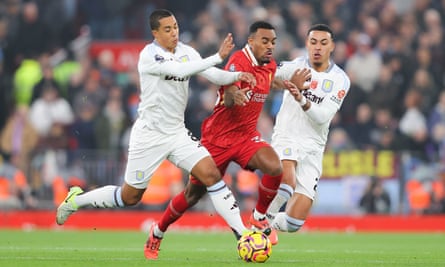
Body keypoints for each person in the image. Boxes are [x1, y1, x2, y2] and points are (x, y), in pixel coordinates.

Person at [56, 8, 256, 255]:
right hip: (149, 135)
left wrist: (236, 75)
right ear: (155, 33)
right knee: (130, 197)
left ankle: (242, 234)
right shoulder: (149, 56)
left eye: (176, 27)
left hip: (176, 133)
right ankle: (76, 200)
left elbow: (209, 73)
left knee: (211, 174)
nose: (174, 33)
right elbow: (181, 71)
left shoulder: (186, 51)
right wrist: (217, 55)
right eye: (168, 29)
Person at [144, 21, 285, 260]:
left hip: (245, 138)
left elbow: (270, 81)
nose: (270, 46)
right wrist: (233, 95)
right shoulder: (238, 62)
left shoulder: (270, 65)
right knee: (192, 195)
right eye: (265, 41)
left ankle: (259, 218)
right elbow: (228, 93)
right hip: (217, 140)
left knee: (275, 167)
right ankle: (158, 231)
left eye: (273, 42)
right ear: (251, 41)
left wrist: (290, 87)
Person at [266, 24, 351, 233]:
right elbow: (265, 80)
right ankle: (260, 221)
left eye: (323, 43)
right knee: (287, 181)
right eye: (313, 42)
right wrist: (283, 84)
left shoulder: (340, 80)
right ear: (307, 44)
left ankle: (266, 221)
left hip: (313, 147)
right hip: (287, 137)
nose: (317, 47)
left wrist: (300, 97)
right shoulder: (295, 66)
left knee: (294, 224)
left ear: (332, 46)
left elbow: (322, 117)